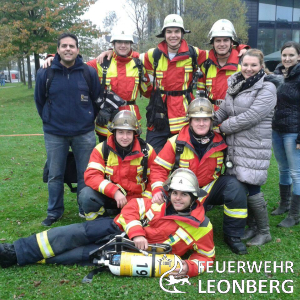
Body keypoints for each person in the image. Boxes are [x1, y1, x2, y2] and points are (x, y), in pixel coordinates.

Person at [0, 168, 215, 278]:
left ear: (194, 197)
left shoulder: (202, 226)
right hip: (115, 227)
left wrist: (189, 266)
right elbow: (131, 208)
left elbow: (206, 257)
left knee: (77, 255)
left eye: (183, 195)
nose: (177, 198)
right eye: (174, 193)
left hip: (130, 251)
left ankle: (30, 259)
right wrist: (137, 232)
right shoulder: (159, 202)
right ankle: (13, 252)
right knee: (67, 234)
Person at [150, 97, 248, 255]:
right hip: (182, 193)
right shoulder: (176, 142)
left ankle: (233, 236)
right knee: (174, 223)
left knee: (235, 187)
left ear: (211, 121)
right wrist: (157, 190)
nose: (201, 124)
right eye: (197, 120)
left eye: (205, 120)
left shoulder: (221, 142)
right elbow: (158, 168)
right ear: (190, 121)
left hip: (209, 189)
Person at [34, 33, 102, 226]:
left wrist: (88, 118)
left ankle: (84, 208)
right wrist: (49, 119)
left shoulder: (88, 73)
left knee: (85, 173)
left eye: (71, 46)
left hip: (84, 133)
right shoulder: (46, 73)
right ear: (58, 50)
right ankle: (54, 211)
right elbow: (40, 101)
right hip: (55, 133)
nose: (68, 49)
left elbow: (96, 99)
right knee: (55, 174)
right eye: (64, 46)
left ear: (77, 50)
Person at [214, 49, 277, 246]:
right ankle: (251, 227)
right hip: (235, 144)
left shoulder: (267, 88)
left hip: (253, 144)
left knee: (253, 185)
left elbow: (252, 116)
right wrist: (209, 121)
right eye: (245, 65)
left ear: (261, 66)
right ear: (240, 64)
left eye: (253, 65)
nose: (248, 69)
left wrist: (222, 127)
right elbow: (225, 108)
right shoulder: (235, 83)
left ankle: (264, 231)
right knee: (241, 183)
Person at [43, 30, 152, 143]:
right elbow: (76, 64)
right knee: (105, 155)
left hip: (131, 119)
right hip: (107, 119)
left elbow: (147, 92)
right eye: (119, 42)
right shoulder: (102, 62)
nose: (123, 45)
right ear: (113, 44)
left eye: (126, 42)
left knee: (131, 156)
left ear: (131, 44)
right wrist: (55, 59)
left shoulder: (139, 64)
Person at [78, 110, 156, 220]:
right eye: (120, 132)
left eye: (129, 132)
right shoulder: (102, 149)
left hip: (136, 199)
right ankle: (98, 222)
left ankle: (125, 216)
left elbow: (155, 179)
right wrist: (114, 192)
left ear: (135, 133)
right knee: (86, 195)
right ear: (114, 132)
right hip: (111, 197)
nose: (125, 137)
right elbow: (92, 176)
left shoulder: (147, 151)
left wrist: (145, 201)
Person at [271, 41, 300, 228]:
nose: (287, 58)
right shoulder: (276, 75)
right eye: (284, 55)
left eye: (291, 55)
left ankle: (295, 214)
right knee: (282, 169)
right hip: (277, 129)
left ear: (299, 57)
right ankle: (284, 204)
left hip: (293, 131)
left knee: (296, 173)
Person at [197, 19, 249, 111]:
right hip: (211, 115)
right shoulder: (206, 65)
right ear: (212, 43)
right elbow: (201, 95)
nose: (222, 44)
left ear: (232, 43)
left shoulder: (241, 63)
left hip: (233, 114)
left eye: (225, 40)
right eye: (218, 40)